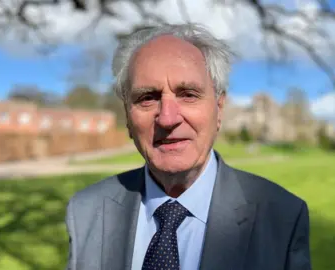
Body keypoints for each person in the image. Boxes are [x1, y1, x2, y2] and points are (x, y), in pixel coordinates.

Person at [64, 23, 311, 270]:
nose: (168, 118)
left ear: (219, 108)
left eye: (188, 94)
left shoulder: (282, 217)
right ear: (128, 117)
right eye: (147, 98)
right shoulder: (86, 212)